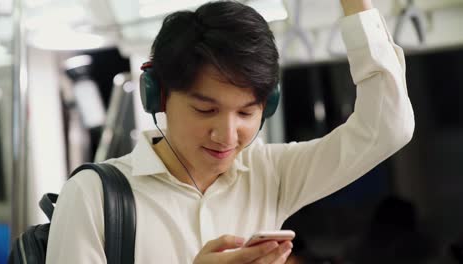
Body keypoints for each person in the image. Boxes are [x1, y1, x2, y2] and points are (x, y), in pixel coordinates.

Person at [46, 0, 415, 263]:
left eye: (246, 112)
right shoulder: (95, 196)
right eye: (205, 110)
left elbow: (387, 126)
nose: (227, 135)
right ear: (157, 95)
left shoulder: (270, 174)